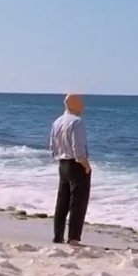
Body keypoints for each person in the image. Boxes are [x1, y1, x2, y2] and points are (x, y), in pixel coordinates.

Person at [49, 93, 92, 245]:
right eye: (80, 102)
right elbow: (78, 148)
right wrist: (86, 165)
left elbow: (52, 147)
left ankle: (58, 236)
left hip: (62, 163)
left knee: (62, 201)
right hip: (76, 164)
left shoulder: (57, 122)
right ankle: (73, 238)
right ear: (73, 104)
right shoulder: (77, 122)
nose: (83, 105)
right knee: (78, 203)